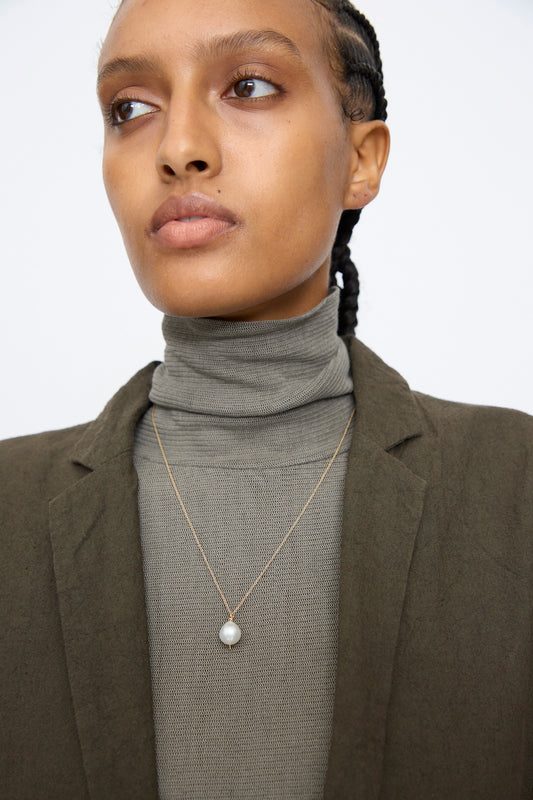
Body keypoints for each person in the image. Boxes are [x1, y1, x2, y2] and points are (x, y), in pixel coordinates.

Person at [1, 0, 532, 798]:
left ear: (362, 159)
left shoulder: (515, 489)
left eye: (247, 86)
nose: (178, 149)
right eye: (131, 109)